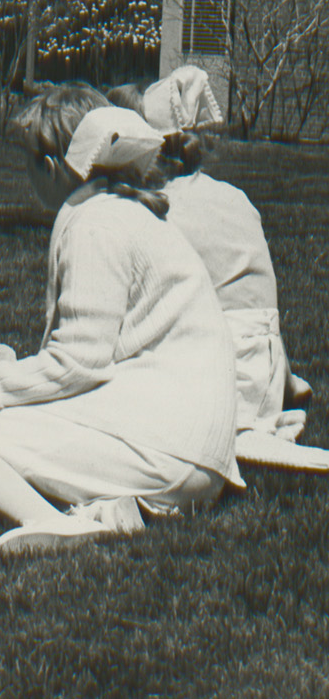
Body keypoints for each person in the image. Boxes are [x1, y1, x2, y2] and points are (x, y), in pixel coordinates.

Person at [0, 92, 240, 557]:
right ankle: (103, 507)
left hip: (165, 449)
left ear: (52, 166)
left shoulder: (95, 222)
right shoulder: (127, 209)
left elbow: (76, 364)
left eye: (28, 162)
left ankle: (50, 521)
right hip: (193, 448)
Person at [114, 67, 320, 469]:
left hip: (220, 360)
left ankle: (252, 426)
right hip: (264, 347)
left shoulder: (160, 209)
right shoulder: (233, 196)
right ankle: (281, 385)